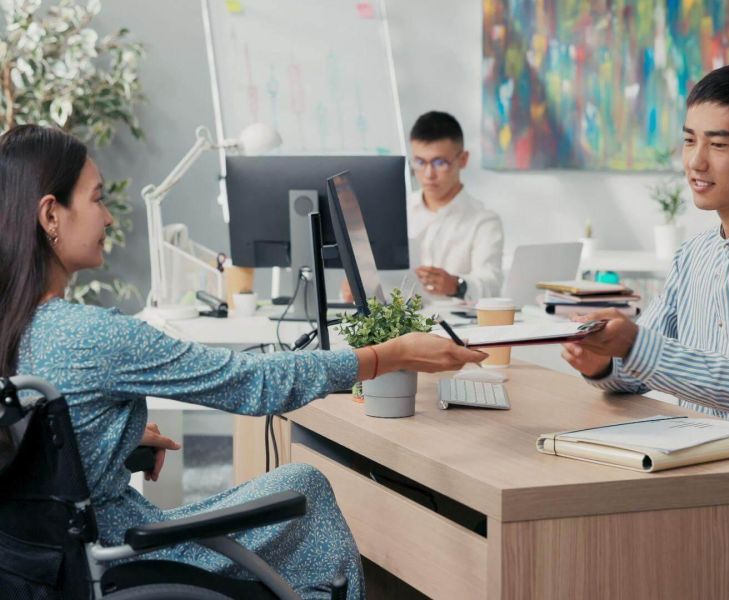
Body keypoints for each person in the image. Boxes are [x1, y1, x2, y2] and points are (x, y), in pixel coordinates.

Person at [0, 124, 487, 598]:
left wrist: (108, 441)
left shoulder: (14, 326)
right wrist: (386, 355)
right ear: (51, 216)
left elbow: (37, 450)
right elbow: (252, 383)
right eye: (98, 198)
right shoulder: (92, 337)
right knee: (306, 486)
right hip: (122, 558)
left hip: (45, 567)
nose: (108, 217)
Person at [562, 64, 729, 438]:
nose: (695, 161)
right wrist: (602, 361)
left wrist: (634, 343)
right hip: (693, 454)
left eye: (718, 144)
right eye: (690, 140)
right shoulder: (692, 255)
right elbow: (636, 368)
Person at [407, 111, 504, 300]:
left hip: (456, 326)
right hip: (402, 326)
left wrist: (457, 285)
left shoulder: (483, 220)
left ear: (463, 160)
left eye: (439, 162)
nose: (428, 174)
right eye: (420, 162)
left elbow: (491, 283)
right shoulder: (399, 212)